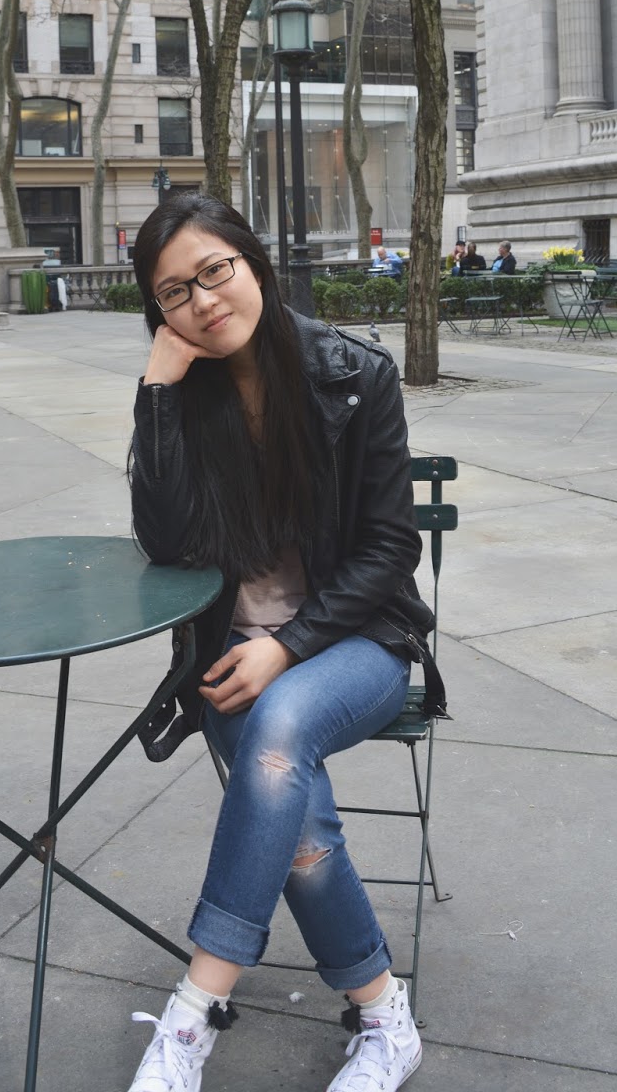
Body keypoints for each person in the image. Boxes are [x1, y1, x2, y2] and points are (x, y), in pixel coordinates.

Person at [126, 191, 443, 1092]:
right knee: (294, 811)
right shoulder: (183, 391)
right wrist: (158, 392)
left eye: (214, 271)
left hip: (356, 642)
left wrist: (289, 645)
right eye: (174, 291)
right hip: (231, 657)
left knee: (279, 727)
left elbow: (390, 548)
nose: (203, 301)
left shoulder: (355, 374)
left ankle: (194, 1013)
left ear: (253, 262)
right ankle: (383, 1016)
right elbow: (164, 542)